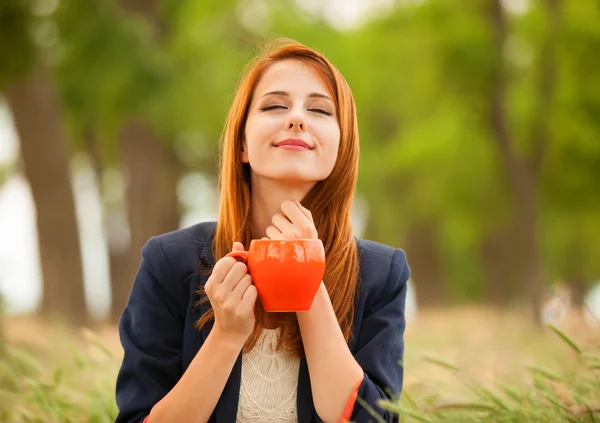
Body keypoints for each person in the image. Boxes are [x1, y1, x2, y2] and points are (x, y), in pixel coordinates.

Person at [115, 38, 410, 423]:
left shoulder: (381, 273)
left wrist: (308, 286)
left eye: (320, 109)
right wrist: (226, 334)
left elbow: (374, 420)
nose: (297, 118)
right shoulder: (169, 263)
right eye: (274, 105)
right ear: (241, 143)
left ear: (340, 147)